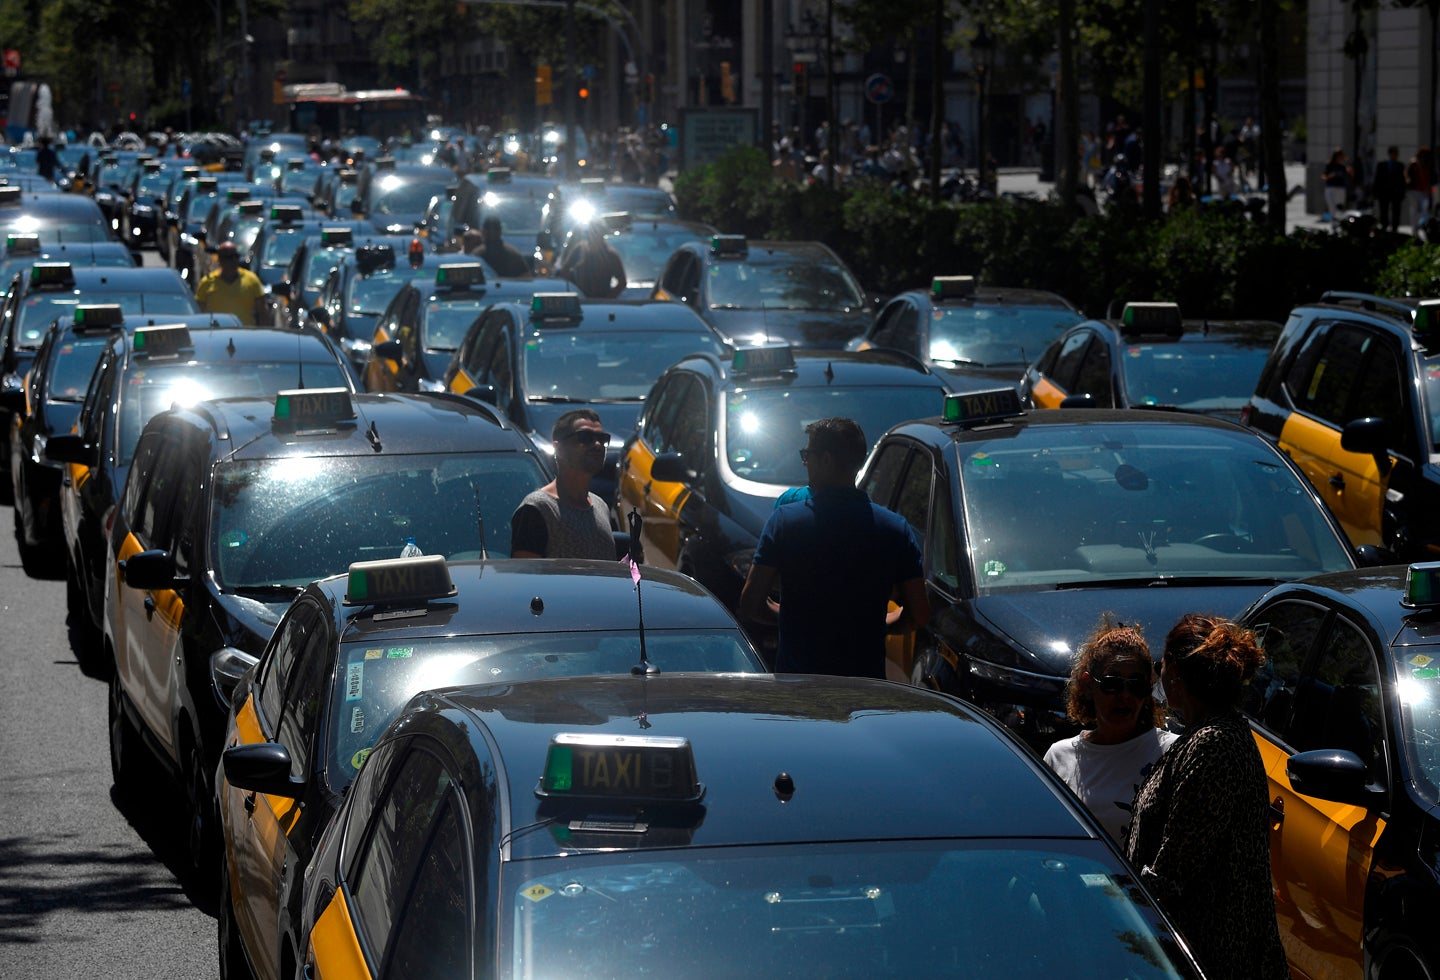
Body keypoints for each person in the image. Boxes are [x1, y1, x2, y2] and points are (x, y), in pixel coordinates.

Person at [1126, 614, 1290, 980]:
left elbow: (1175, 867)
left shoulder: (1213, 745)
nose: (1158, 675)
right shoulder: (1211, 734)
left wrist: (1120, 909)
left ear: (1177, 678)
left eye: (1161, 665)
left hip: (1215, 957)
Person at [738, 417, 930, 677]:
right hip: (865, 690)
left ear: (826, 459)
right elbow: (918, 614)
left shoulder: (785, 522)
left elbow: (751, 604)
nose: (805, 463)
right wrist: (876, 625)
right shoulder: (895, 529)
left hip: (800, 685)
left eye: (808, 455)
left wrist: (792, 619)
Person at [1043, 620, 1176, 845]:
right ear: (1088, 684)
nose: (1124, 696)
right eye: (1112, 684)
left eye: (1135, 684)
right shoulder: (1059, 756)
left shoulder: (1171, 753)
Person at [510, 409, 614, 560]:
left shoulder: (601, 506)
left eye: (602, 439)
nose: (597, 445)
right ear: (558, 448)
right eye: (585, 437)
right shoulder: (537, 509)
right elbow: (525, 578)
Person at [194, 241, 268, 325]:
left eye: (236, 256)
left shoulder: (251, 280)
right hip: (217, 335)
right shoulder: (207, 282)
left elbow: (263, 312)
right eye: (229, 257)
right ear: (220, 259)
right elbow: (198, 312)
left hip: (245, 335)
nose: (233, 260)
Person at [563, 222, 626, 298]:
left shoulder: (610, 256)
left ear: (601, 236)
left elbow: (622, 282)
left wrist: (608, 298)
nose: (592, 237)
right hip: (581, 301)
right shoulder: (580, 250)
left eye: (596, 234)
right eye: (590, 234)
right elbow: (565, 270)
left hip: (600, 302)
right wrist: (574, 289)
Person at [1373, 145, 1407, 233]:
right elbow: (1377, 179)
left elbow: (1402, 180)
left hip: (1396, 192)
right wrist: (1375, 192)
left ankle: (1395, 228)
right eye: (1393, 153)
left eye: (1396, 153)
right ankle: (1384, 226)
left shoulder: (1400, 165)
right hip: (1384, 192)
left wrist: (1403, 192)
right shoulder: (1382, 165)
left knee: (1396, 211)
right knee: (1383, 210)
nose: (1394, 155)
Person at [1408, 146, 1435, 234]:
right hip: (1414, 190)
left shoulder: (1429, 165)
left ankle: (1420, 226)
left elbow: (1432, 178)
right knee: (1415, 210)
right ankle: (1415, 229)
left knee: (1424, 209)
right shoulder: (1414, 164)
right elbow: (1408, 176)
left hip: (1424, 191)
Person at [1323, 147, 1351, 219]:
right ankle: (1334, 225)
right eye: (1339, 156)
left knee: (1340, 208)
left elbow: (1351, 175)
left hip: (1341, 188)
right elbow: (1324, 176)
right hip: (1331, 188)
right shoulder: (1330, 165)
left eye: (1341, 156)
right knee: (1332, 208)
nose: (1340, 158)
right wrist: (1330, 176)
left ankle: (1338, 224)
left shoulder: (1343, 167)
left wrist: (1348, 167)